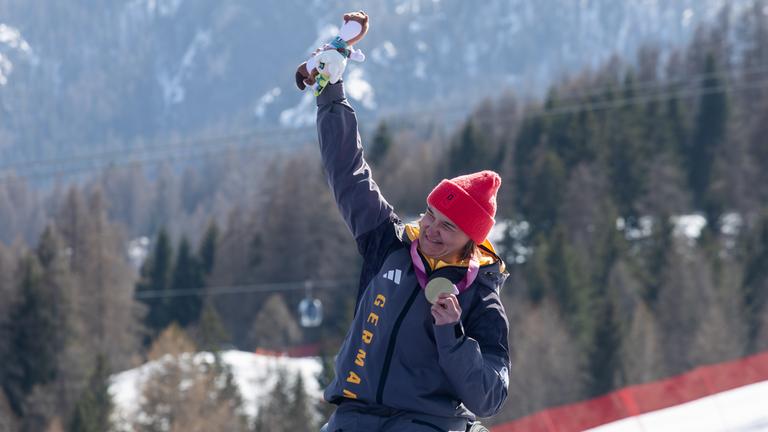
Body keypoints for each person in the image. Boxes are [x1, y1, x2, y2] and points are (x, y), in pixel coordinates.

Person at [314, 81, 510, 432]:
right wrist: (331, 95)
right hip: (354, 416)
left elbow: (489, 398)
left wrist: (452, 335)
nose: (431, 229)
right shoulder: (389, 244)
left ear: (471, 240)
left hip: (427, 424)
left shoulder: (480, 297)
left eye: (448, 226)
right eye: (430, 214)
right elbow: (348, 174)